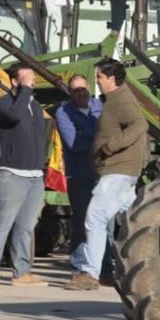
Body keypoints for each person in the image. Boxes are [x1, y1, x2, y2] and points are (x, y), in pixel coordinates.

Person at [65, 59, 147, 290]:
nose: (97, 82)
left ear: (111, 79)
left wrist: (111, 146)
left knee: (95, 217)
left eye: (100, 77)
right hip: (119, 171)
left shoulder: (122, 99)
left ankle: (90, 274)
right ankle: (145, 267)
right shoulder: (114, 100)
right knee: (136, 221)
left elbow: (139, 125)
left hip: (118, 170)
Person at [0, 63, 50, 287]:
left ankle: (21, 272)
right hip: (11, 173)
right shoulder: (3, 103)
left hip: (34, 176)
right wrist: (25, 92)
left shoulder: (36, 107)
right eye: (27, 77)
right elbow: (13, 117)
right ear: (14, 81)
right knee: (3, 222)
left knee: (26, 227)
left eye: (33, 77)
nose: (33, 81)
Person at [56, 74, 102, 268]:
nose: (80, 93)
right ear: (69, 92)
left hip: (101, 173)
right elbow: (73, 142)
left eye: (83, 89)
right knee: (81, 220)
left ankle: (102, 266)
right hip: (79, 173)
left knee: (103, 222)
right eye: (75, 90)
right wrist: (97, 133)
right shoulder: (63, 112)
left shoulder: (101, 106)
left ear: (89, 88)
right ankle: (78, 265)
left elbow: (109, 133)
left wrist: (86, 133)